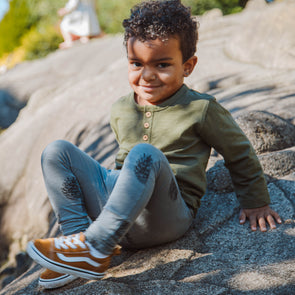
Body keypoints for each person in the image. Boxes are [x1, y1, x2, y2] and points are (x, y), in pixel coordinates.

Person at [26, 0, 282, 289]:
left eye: (162, 65)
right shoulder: (121, 109)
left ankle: (96, 245)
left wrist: (256, 202)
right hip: (118, 211)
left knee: (144, 153)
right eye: (136, 64)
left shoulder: (200, 108)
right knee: (56, 151)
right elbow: (123, 168)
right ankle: (77, 245)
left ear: (188, 66)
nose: (146, 76)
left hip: (166, 215)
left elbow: (239, 153)